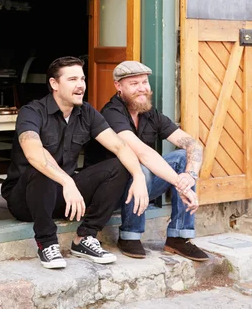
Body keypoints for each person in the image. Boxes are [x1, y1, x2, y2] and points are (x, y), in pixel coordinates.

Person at [1, 56, 151, 270]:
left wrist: (138, 176)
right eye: (72, 79)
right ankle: (47, 243)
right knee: (42, 166)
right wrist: (67, 182)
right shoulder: (32, 111)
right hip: (25, 200)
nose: (80, 85)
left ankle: (85, 237)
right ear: (54, 84)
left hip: (63, 197)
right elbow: (33, 154)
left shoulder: (86, 112)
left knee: (119, 165)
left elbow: (120, 146)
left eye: (82, 79)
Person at [85, 60, 208, 262]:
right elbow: (141, 152)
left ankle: (178, 237)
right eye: (134, 84)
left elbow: (193, 144)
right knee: (143, 168)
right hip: (108, 192)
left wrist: (190, 176)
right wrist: (181, 185)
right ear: (118, 86)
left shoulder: (150, 114)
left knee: (180, 158)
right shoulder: (111, 113)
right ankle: (129, 236)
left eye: (144, 82)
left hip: (141, 186)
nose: (141, 88)